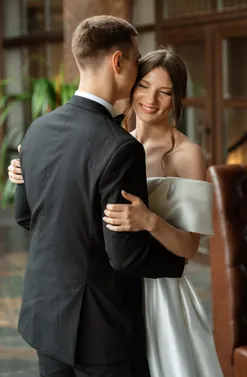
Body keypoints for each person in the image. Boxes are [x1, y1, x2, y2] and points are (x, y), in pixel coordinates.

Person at [9, 48, 223, 376]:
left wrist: (149, 221)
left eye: (164, 92)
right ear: (130, 86)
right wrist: (29, 173)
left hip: (157, 291)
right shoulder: (113, 141)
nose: (151, 99)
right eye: (144, 86)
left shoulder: (188, 154)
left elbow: (189, 248)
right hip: (103, 291)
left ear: (177, 98)